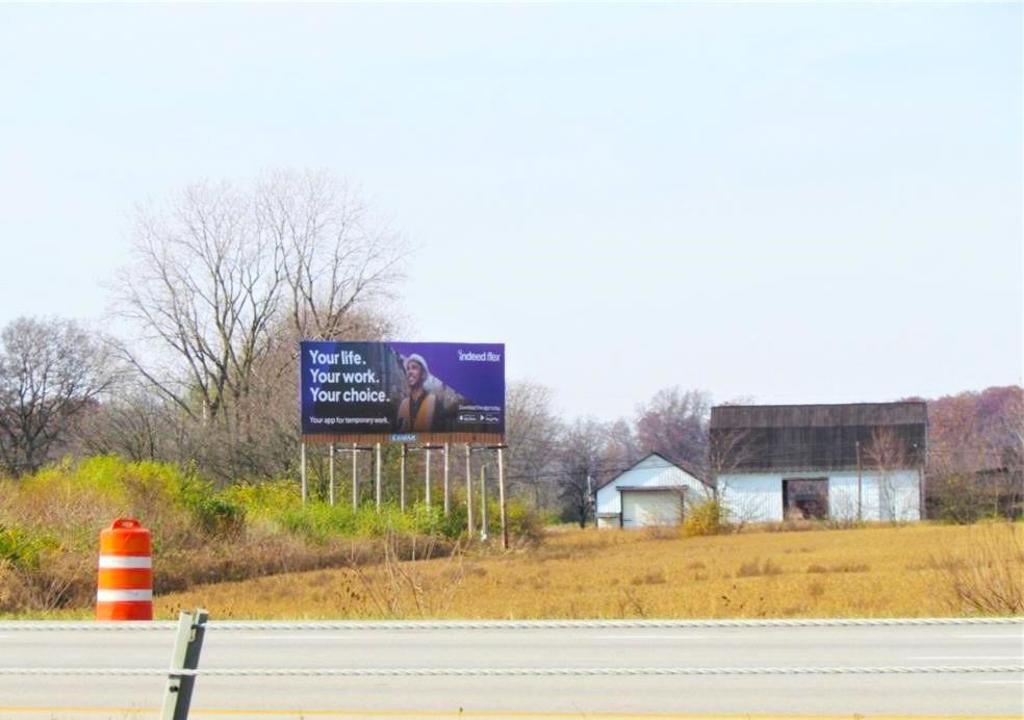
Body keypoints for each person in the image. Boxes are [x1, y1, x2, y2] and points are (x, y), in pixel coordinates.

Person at [397, 354, 439, 432]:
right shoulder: (403, 404)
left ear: (423, 374)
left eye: (414, 368)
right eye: (408, 369)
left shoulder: (434, 401)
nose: (409, 372)